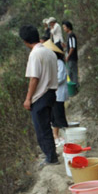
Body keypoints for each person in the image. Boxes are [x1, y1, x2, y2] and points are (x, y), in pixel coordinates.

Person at [19, 26, 59, 166]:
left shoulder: (35, 54)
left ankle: (51, 157)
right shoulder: (49, 52)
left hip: (41, 95)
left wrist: (28, 98)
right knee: (46, 125)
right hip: (51, 93)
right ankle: (51, 153)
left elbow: (34, 78)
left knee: (42, 128)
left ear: (25, 41)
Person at [43, 40, 69, 147]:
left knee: (58, 115)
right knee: (54, 116)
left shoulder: (59, 63)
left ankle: (63, 136)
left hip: (59, 93)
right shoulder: (52, 63)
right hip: (53, 94)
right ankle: (57, 136)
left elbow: (61, 78)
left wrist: (49, 82)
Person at [62, 20, 79, 89]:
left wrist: (68, 56)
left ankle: (75, 86)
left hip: (72, 58)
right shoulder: (69, 36)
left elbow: (72, 47)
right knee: (71, 73)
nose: (64, 29)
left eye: (64, 27)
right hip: (71, 57)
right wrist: (66, 46)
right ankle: (73, 87)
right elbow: (70, 46)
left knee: (73, 73)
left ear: (68, 27)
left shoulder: (71, 35)